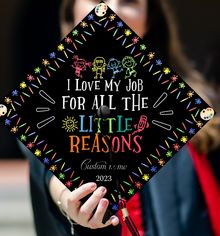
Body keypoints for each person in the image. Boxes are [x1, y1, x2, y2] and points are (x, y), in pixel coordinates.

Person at [20, 0, 220, 235]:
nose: (111, 11)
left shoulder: (196, 105)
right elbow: (49, 170)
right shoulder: (47, 104)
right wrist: (69, 200)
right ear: (71, 13)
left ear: (150, 19)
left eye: (128, 1)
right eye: (96, 0)